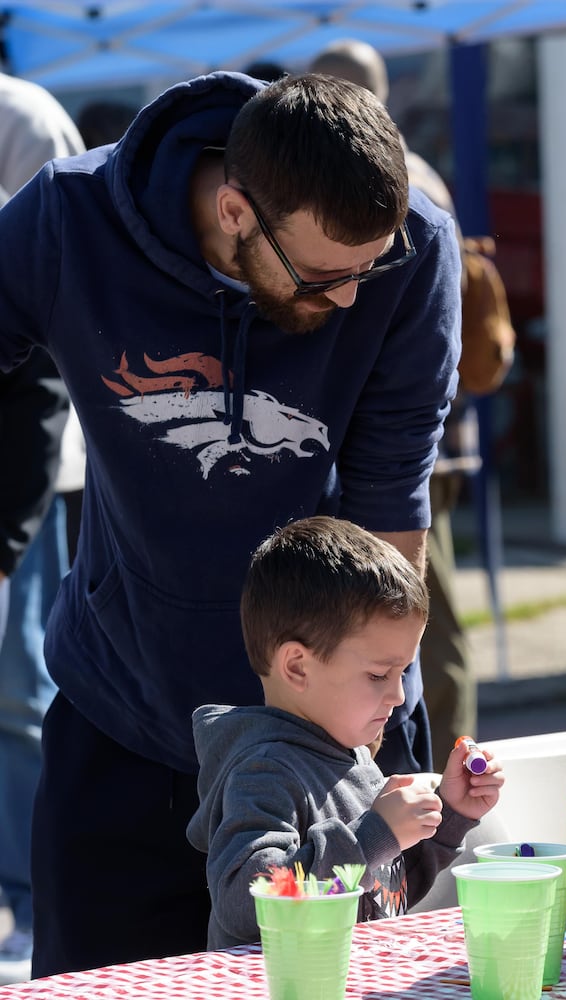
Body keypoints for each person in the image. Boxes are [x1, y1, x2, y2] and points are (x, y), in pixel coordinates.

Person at [0, 71, 461, 975]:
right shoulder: (71, 221)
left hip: (322, 736)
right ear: (236, 209)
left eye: (371, 267)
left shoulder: (414, 254)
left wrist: (371, 700)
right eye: (326, 276)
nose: (350, 301)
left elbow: (390, 496)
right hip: (125, 718)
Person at [307, 37, 513, 761]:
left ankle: (446, 765)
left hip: (414, 450)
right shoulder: (410, 167)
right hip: (420, 442)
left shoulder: (400, 180)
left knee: (425, 615)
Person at [187, 516, 503, 949]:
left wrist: (449, 816)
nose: (397, 694)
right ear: (297, 666)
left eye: (403, 672)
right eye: (378, 675)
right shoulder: (264, 771)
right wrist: (373, 837)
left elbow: (383, 892)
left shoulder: (351, 756)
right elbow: (249, 904)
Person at [0, 72, 83, 985]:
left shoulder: (23, 121)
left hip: (31, 473)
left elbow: (60, 326)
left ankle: (31, 898)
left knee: (22, 690)